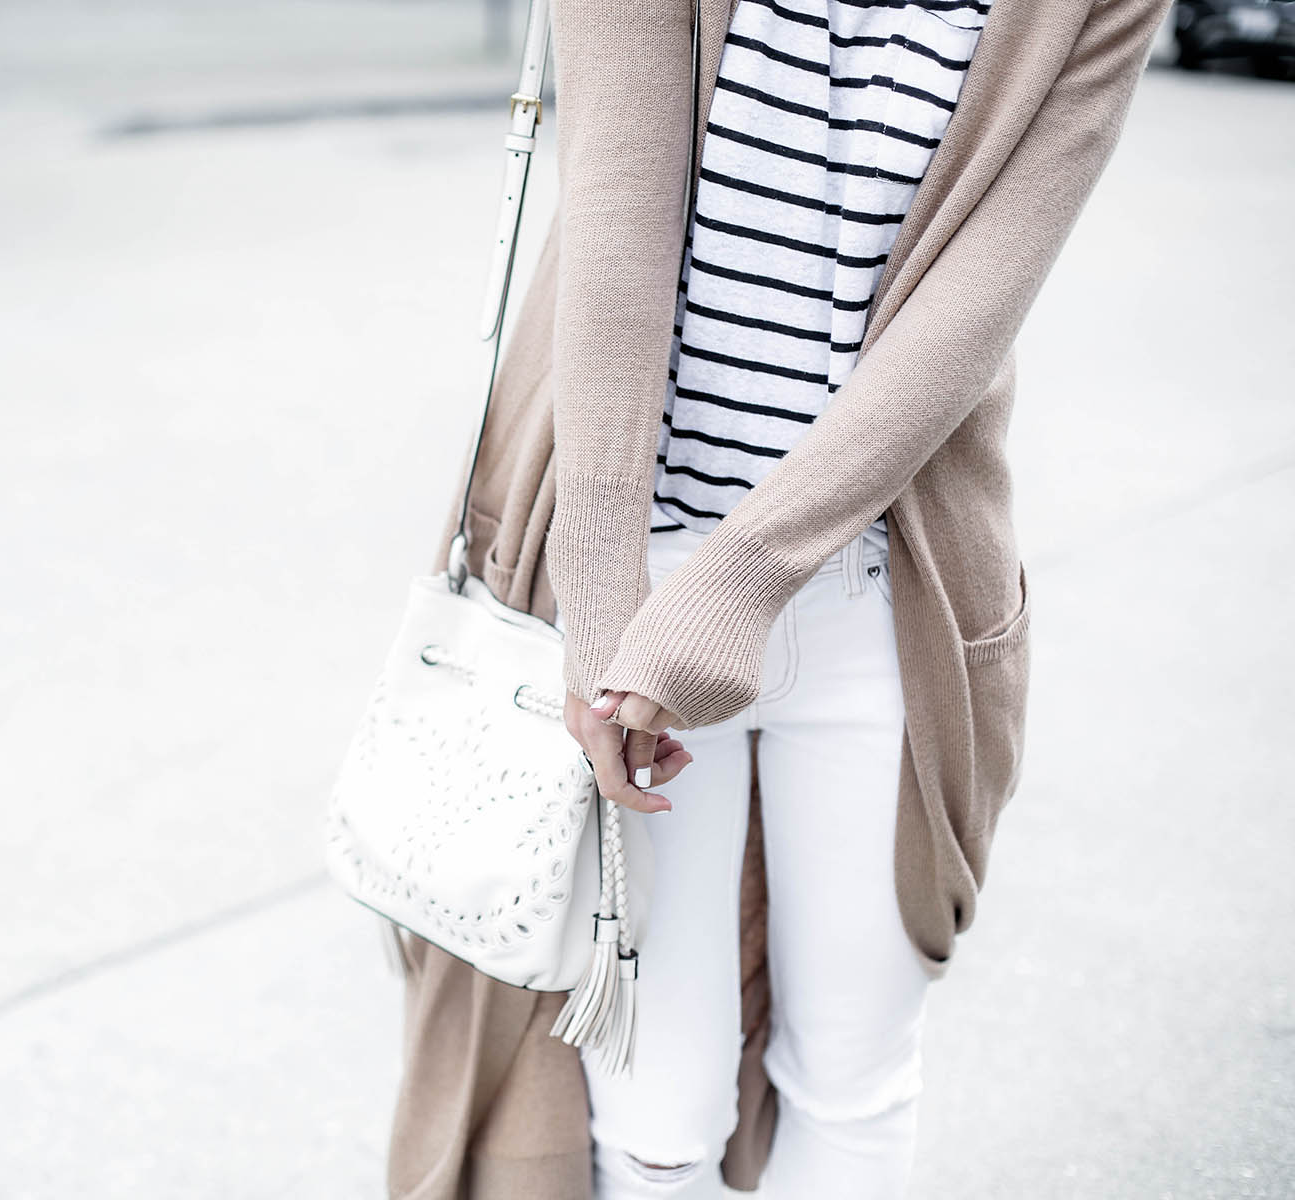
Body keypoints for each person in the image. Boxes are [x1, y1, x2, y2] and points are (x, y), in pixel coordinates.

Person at [385, 0, 1168, 1195]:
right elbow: (616, 204)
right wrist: (604, 605)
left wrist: (745, 580)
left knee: (853, 1081)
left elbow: (975, 301)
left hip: (891, 598)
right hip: (634, 573)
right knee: (660, 1112)